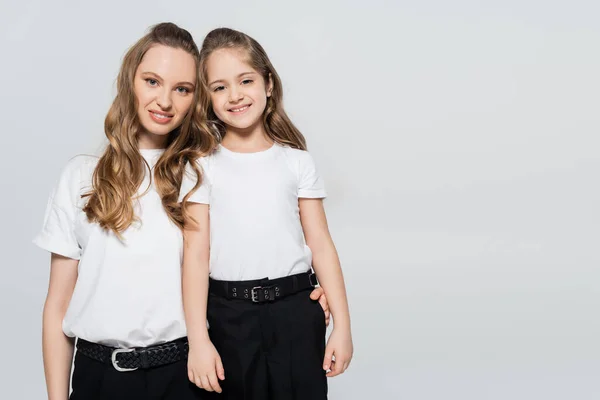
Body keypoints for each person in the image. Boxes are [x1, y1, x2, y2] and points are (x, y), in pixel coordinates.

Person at [34, 22, 330, 400]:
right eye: (152, 81)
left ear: (197, 98)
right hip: (100, 376)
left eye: (183, 89)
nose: (164, 101)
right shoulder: (80, 176)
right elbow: (57, 306)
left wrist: (295, 299)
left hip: (187, 373)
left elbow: (269, 237)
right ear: (130, 82)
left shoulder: (206, 171)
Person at [180, 27, 353, 400]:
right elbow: (195, 255)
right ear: (206, 98)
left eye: (245, 80)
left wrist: (342, 324)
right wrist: (198, 339)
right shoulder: (201, 167)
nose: (235, 95)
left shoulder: (296, 162)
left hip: (296, 313)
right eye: (219, 87)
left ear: (268, 84)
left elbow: (320, 245)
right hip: (228, 317)